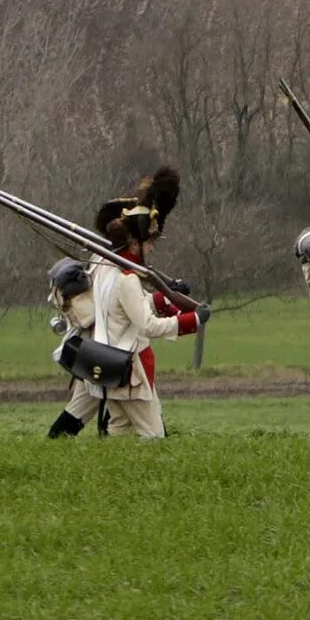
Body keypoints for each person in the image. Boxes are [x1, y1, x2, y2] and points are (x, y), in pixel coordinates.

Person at [88, 168, 202, 439]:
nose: (151, 248)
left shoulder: (101, 266)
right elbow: (146, 325)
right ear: (135, 243)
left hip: (106, 362)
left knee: (119, 430)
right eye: (148, 243)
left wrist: (163, 297)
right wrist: (192, 321)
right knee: (154, 436)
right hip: (130, 365)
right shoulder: (127, 279)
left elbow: (126, 307)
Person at [45, 257, 102, 437]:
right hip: (100, 354)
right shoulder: (104, 268)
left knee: (82, 405)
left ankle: (55, 440)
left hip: (92, 352)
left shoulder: (99, 265)